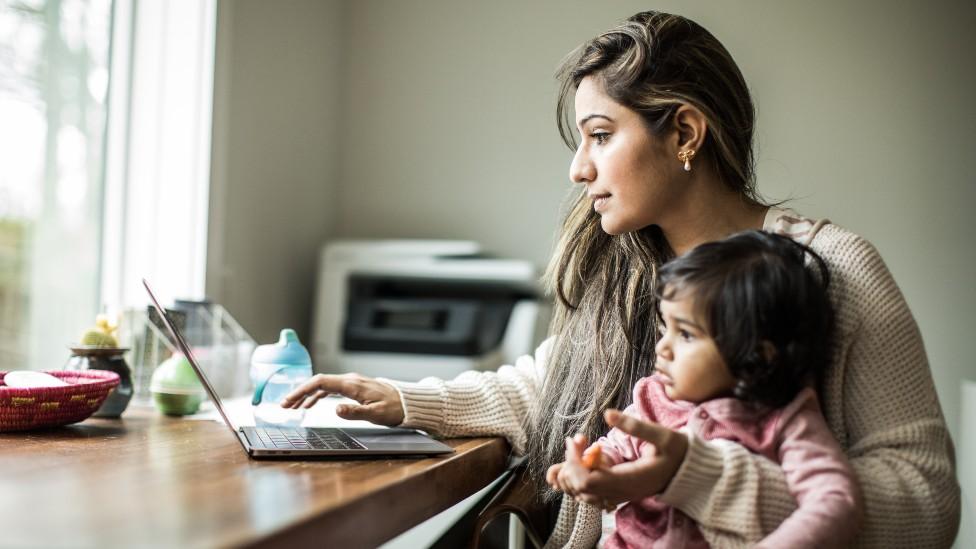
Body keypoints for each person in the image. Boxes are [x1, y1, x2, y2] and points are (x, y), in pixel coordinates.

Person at [282, 11, 960, 548]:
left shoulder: (835, 270)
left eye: (600, 134)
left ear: (686, 131)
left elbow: (926, 501)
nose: (579, 169)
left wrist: (695, 479)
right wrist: (401, 401)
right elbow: (547, 389)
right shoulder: (625, 271)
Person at [547, 230, 863, 548]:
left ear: (756, 355)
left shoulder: (787, 419)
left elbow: (835, 502)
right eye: (663, 328)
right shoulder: (652, 399)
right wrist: (591, 467)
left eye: (685, 334)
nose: (663, 348)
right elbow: (613, 449)